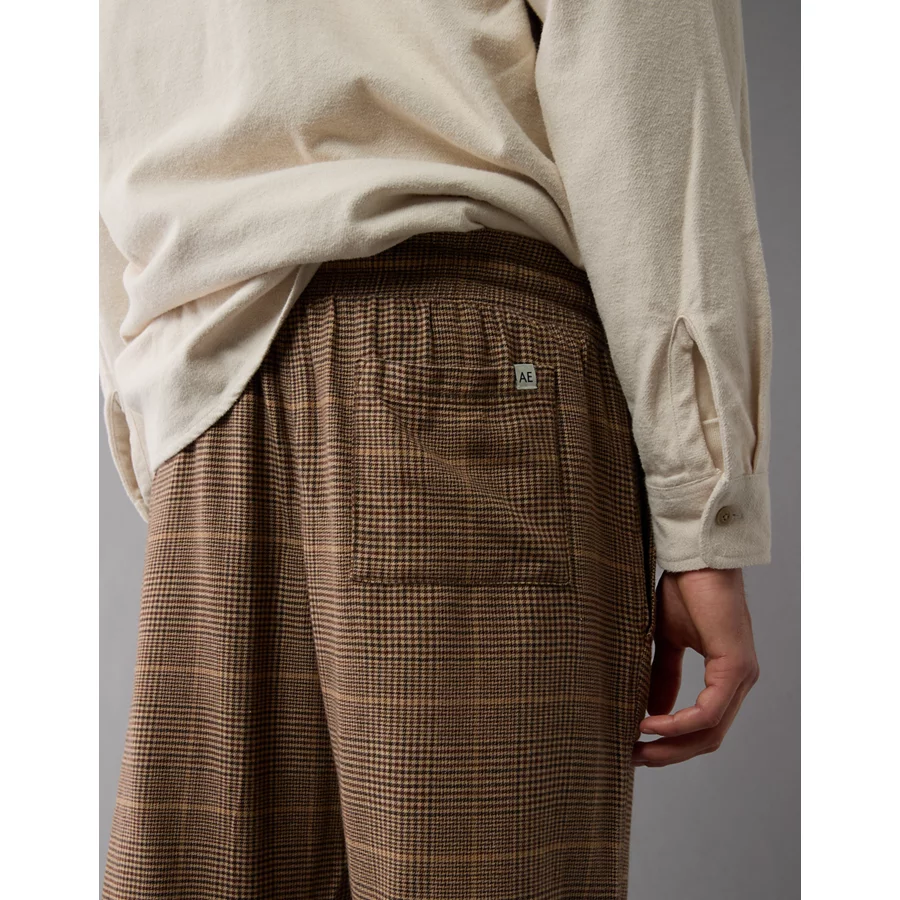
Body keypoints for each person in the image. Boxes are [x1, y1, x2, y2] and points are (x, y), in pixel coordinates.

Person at [99, 1, 772, 897]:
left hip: (204, 392)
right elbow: (643, 62)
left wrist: (156, 424)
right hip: (463, 356)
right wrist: (704, 506)